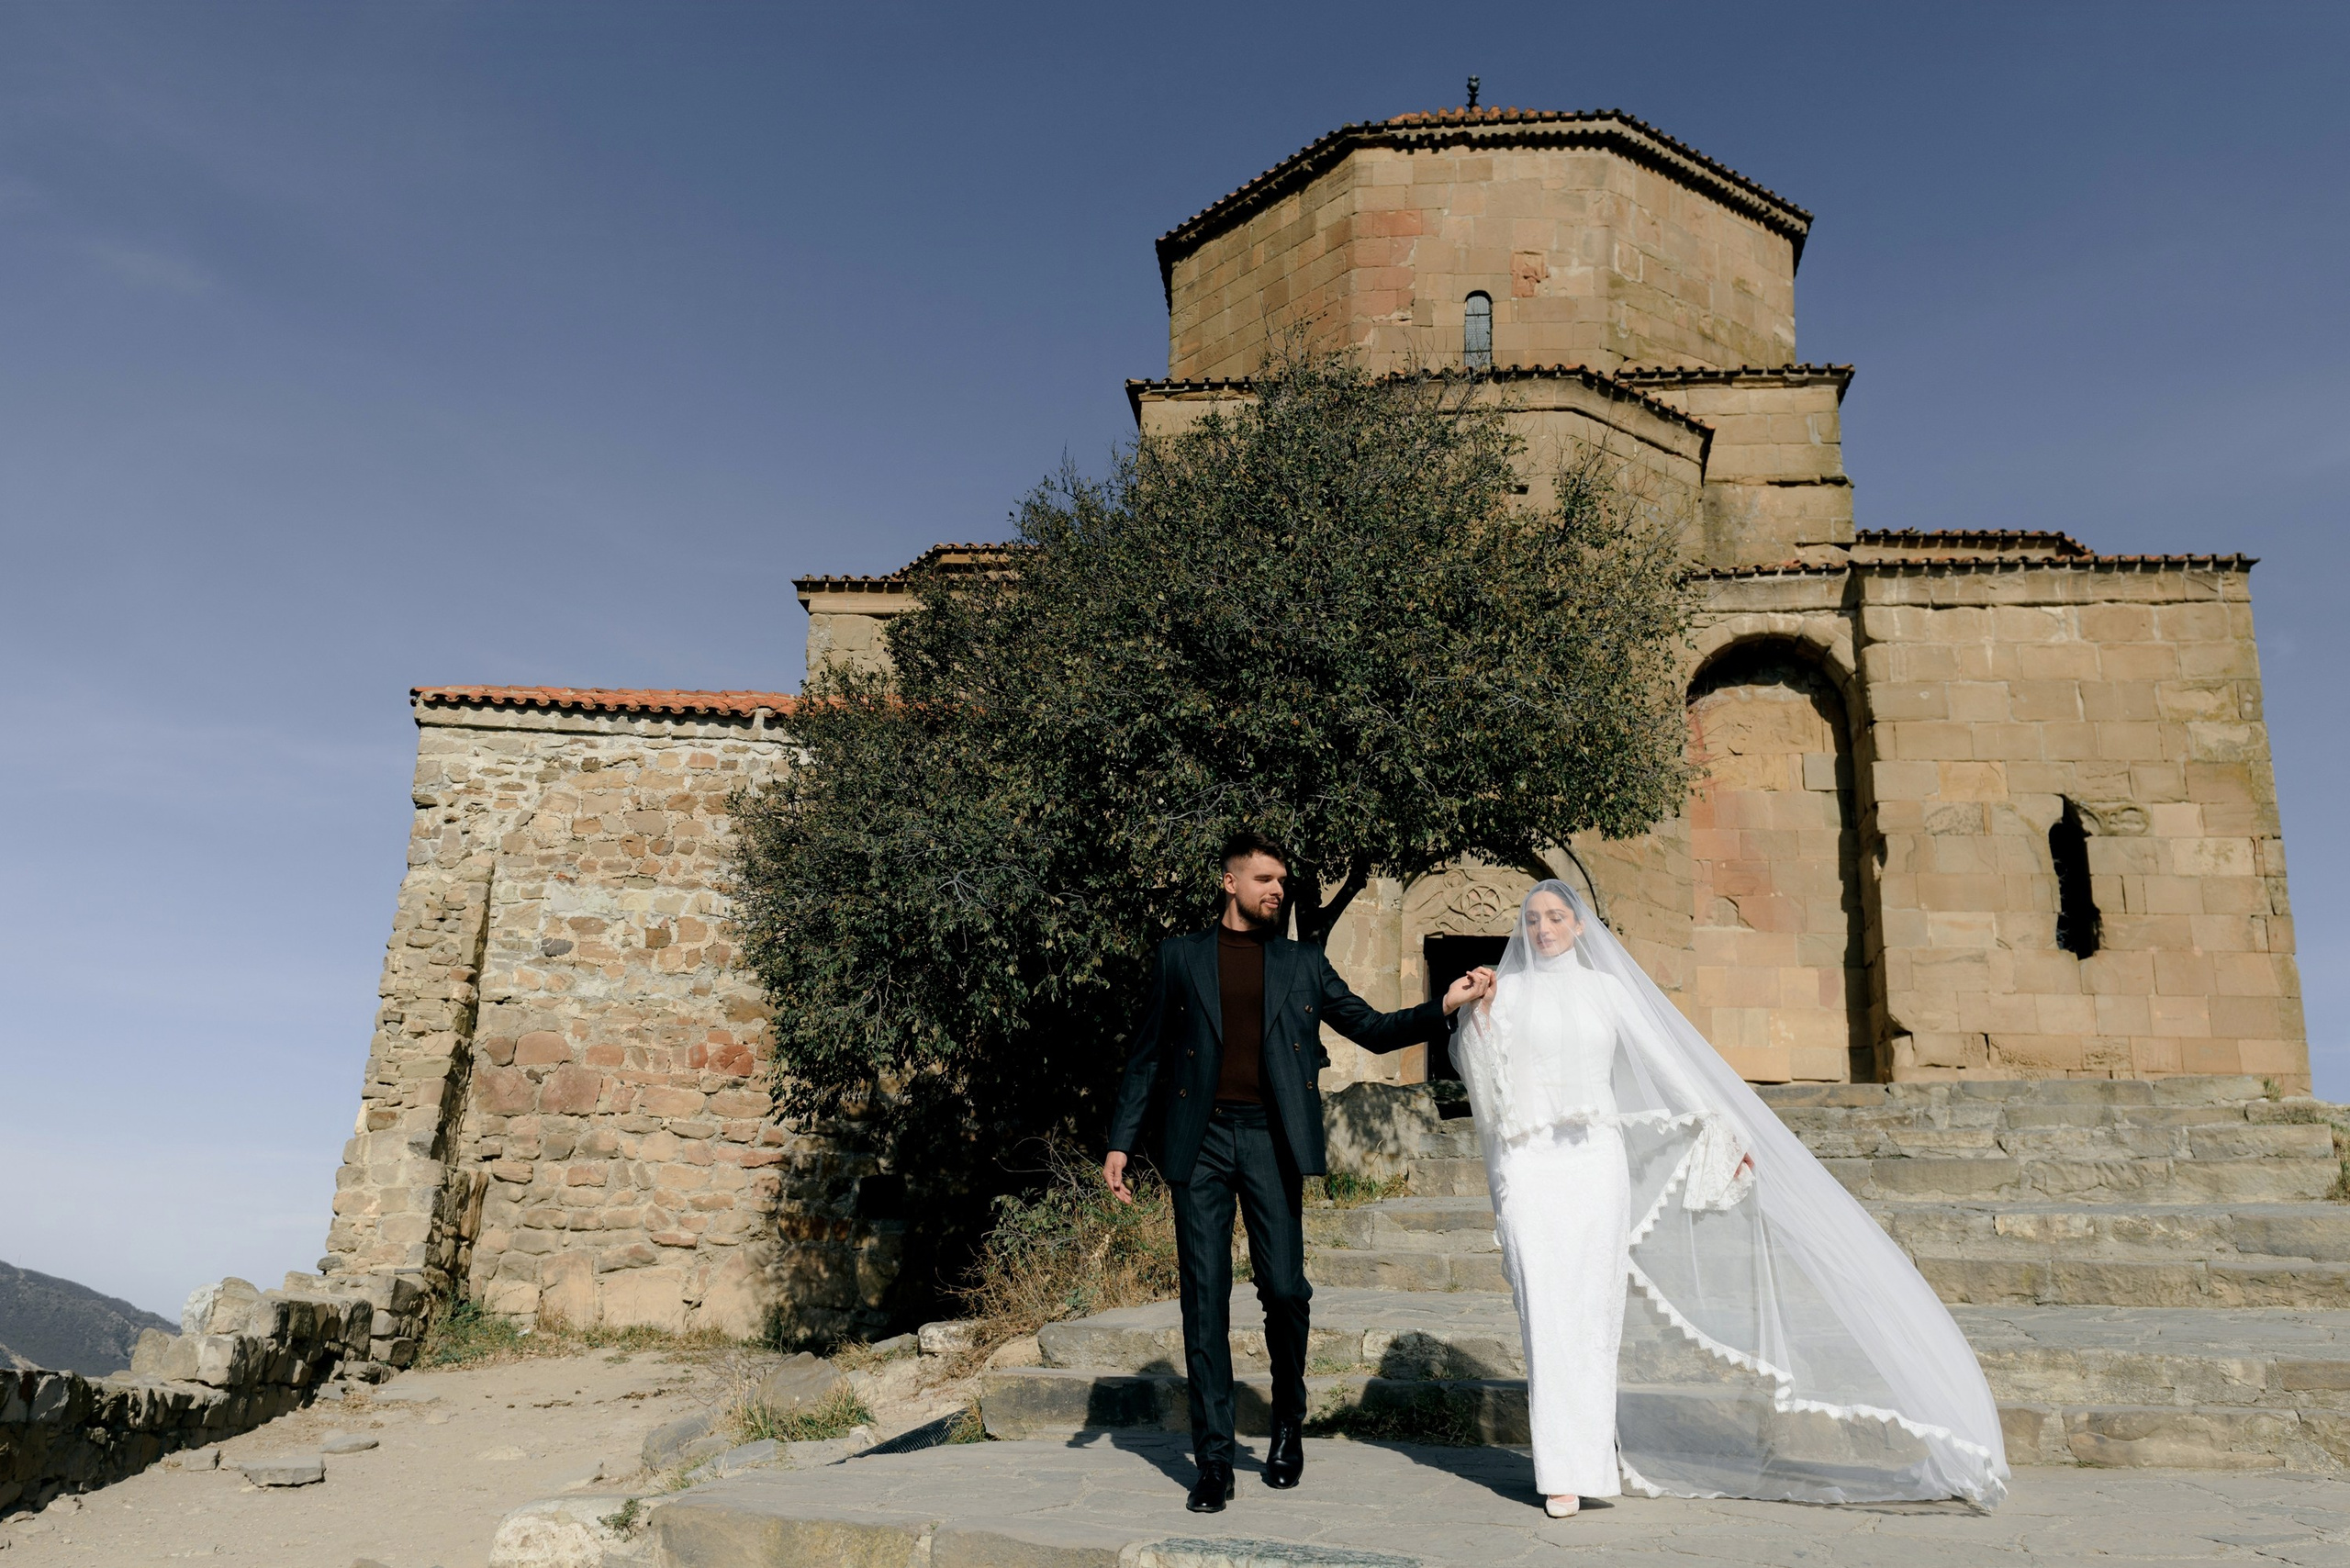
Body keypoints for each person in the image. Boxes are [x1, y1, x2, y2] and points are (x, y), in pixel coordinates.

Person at [1452, 880, 2009, 1516]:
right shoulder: (1509, 992)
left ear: (1580, 927)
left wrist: (1723, 1125)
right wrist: (1480, 1014)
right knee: (1545, 1310)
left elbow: (1667, 1064)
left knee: (1594, 1315)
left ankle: (1581, 1467)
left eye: (1556, 917)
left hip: (1594, 1163)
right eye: (1532, 919)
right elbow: (1484, 1083)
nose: (1544, 927)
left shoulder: (1608, 992)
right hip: (1529, 1165)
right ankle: (1561, 1467)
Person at [1102, 830, 1491, 1514]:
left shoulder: (1303, 962)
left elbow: (1371, 1027)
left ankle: (1288, 1419)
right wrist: (1120, 1143)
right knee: (1204, 1299)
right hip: (1200, 1140)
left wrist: (1445, 1006)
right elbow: (1147, 1056)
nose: (1277, 889)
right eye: (1264, 879)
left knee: (1283, 1289)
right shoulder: (1180, 958)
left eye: (1282, 880)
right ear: (1229, 883)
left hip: (1272, 1140)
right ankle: (1214, 1460)